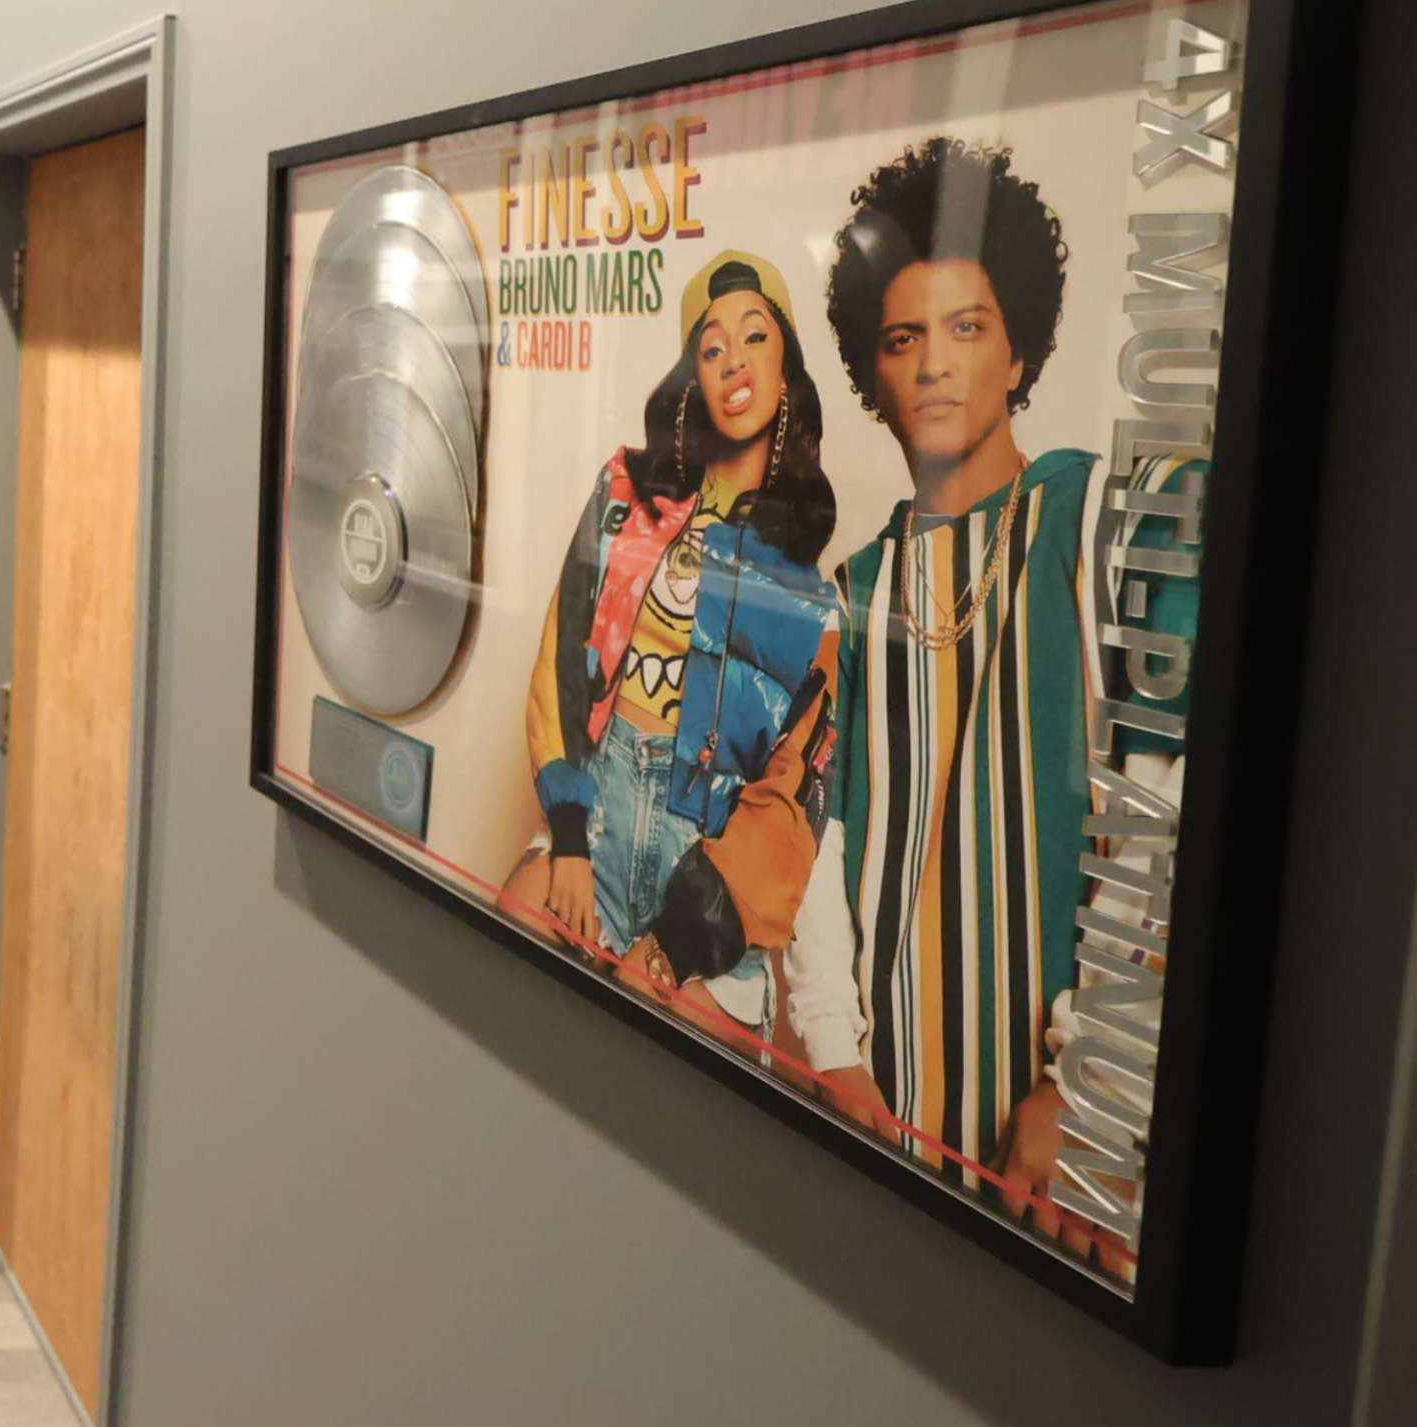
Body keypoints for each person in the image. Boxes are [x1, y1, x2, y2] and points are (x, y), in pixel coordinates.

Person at [778, 136, 1184, 1261]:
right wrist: (838, 1060)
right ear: (874, 369)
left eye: (968, 329)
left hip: (1067, 1150)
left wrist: (1091, 1082)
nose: (937, 365)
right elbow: (822, 836)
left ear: (1019, 350)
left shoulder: (1105, 524)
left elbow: (1161, 806)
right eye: (905, 338)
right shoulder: (849, 593)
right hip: (884, 1117)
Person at [505, 252, 843, 1032]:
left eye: (755, 338)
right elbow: (562, 657)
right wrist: (568, 840)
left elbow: (795, 800)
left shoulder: (809, 593)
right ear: (693, 375)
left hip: (710, 874)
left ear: (787, 370)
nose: (734, 361)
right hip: (596, 817)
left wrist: (677, 941)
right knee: (504, 976)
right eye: (712, 345)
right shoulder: (626, 494)